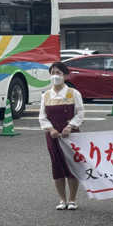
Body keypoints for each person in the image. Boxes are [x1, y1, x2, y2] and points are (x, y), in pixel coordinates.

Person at [39, 61, 84, 210]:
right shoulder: (46, 95)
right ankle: (62, 199)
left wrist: (70, 126)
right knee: (56, 165)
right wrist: (50, 129)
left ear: (65, 75)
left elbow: (80, 113)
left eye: (58, 73)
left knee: (71, 165)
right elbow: (42, 116)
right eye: (52, 73)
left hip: (70, 135)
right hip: (53, 136)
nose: (55, 76)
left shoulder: (73, 93)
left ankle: (72, 199)